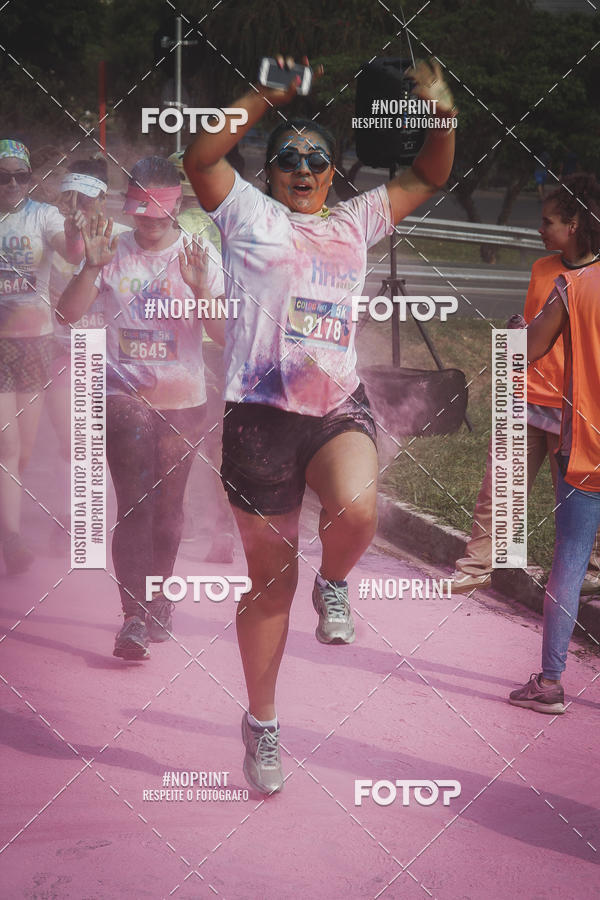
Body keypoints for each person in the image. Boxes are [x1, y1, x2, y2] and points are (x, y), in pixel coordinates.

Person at [184, 56, 456, 793]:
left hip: (336, 405)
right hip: (258, 421)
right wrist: (262, 95)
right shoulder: (246, 214)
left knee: (358, 510)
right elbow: (200, 157)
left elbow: (430, 173)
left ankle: (334, 582)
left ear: (334, 172)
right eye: (288, 158)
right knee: (269, 586)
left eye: (316, 159)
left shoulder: (355, 220)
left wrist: (440, 109)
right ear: (269, 171)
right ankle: (263, 722)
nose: (302, 168)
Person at [57, 156, 224, 659]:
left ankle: (159, 599)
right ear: (127, 206)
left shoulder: (197, 254)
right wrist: (92, 266)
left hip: (183, 399)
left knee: (168, 511)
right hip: (121, 393)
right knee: (136, 502)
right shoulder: (110, 247)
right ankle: (132, 617)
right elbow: (67, 313)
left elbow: (222, 334)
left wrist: (201, 290)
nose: (149, 222)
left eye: (159, 212)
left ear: (177, 207)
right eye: (140, 211)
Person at [453, 176, 600, 594]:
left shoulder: (596, 279)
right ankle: (476, 567)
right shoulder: (541, 269)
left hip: (573, 410)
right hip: (525, 397)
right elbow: (532, 337)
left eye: (548, 222)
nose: (540, 229)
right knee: (499, 488)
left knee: (576, 500)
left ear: (573, 225)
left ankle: (589, 573)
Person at [507, 174, 600, 715]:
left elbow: (528, 348)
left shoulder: (572, 287)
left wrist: (511, 333)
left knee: (570, 559)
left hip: (584, 447)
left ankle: (550, 682)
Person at [0, 138, 83, 574]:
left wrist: (74, 232)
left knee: (24, 452)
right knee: (7, 444)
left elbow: (70, 251)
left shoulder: (43, 215)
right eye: (4, 176)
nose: (13, 184)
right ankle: (12, 540)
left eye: (21, 176)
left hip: (35, 343)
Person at [47, 157, 131, 554]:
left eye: (86, 197)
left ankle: (111, 517)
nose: (77, 205)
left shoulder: (125, 238)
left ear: (103, 198)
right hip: (65, 352)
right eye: (70, 197)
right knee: (73, 440)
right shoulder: (52, 238)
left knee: (107, 445)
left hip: (116, 359)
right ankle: (72, 518)